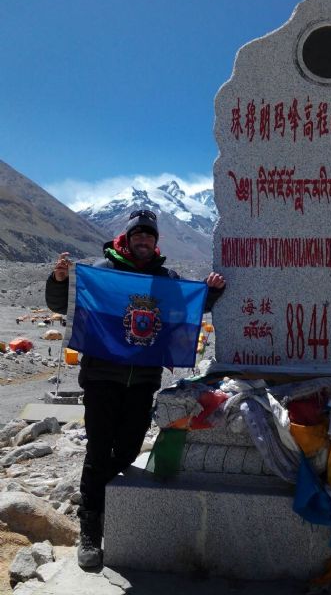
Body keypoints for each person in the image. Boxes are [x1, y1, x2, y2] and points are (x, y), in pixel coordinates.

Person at [45, 209, 225, 568]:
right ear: (126, 239)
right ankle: (91, 529)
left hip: (143, 380)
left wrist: (211, 293)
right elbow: (61, 304)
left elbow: (186, 309)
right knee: (98, 452)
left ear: (155, 242)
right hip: (101, 380)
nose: (143, 241)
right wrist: (61, 281)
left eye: (149, 236)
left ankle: (108, 505)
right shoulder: (103, 271)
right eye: (137, 235)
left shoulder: (165, 279)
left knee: (127, 449)